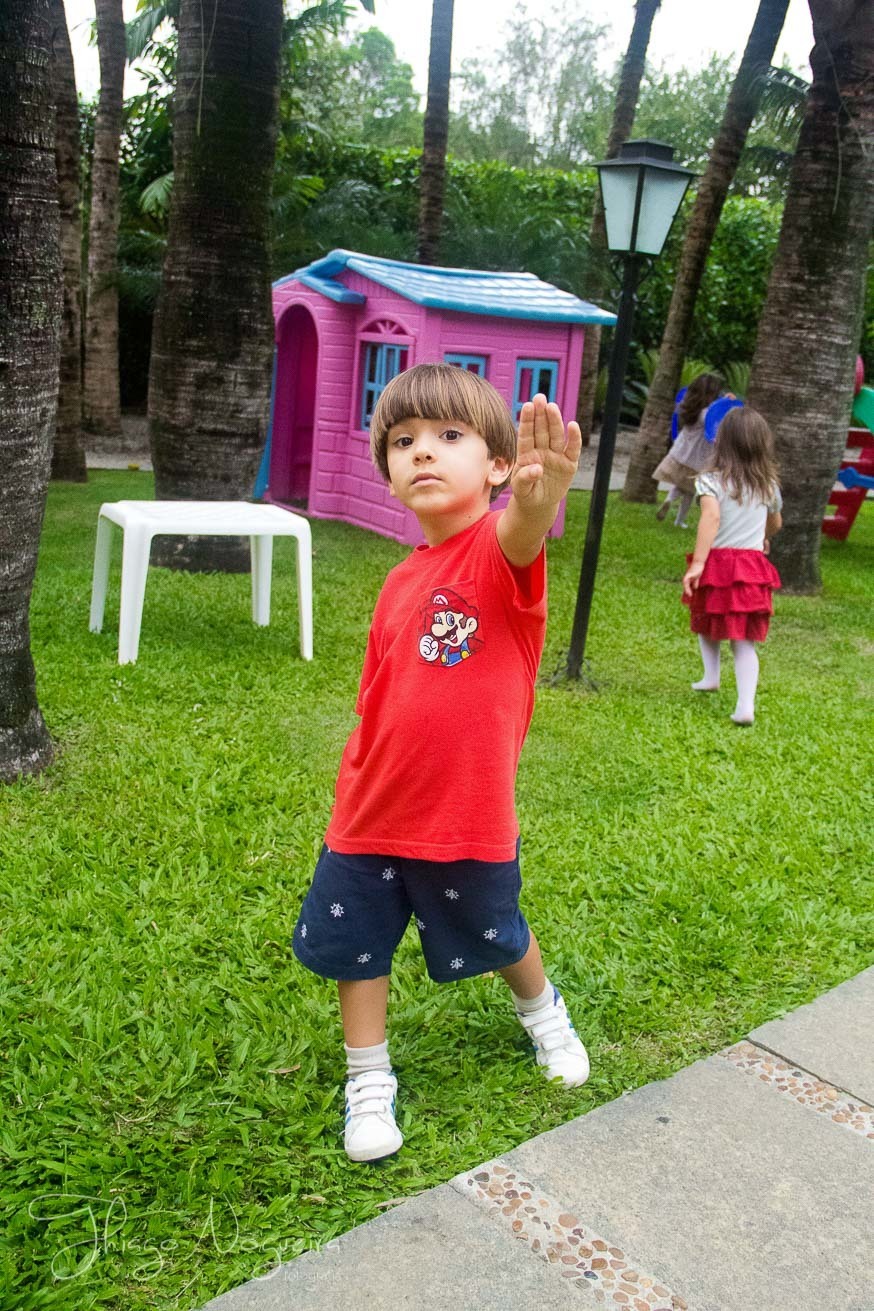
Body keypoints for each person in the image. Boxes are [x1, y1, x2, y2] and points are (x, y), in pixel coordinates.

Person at [292, 363, 590, 1163]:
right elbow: (378, 699)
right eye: (403, 440)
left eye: (449, 437)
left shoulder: (498, 554)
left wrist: (539, 497)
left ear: (496, 464)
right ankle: (369, 1079)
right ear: (387, 466)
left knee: (498, 930)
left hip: (466, 810)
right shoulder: (398, 580)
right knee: (359, 946)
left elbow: (523, 528)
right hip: (371, 808)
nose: (423, 452)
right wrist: (355, 782)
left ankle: (545, 1016)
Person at [682, 406, 782, 725]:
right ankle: (745, 705)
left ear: (721, 442)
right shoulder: (767, 485)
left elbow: (711, 518)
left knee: (705, 618)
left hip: (720, 562)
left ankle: (711, 675)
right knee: (743, 639)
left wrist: (698, 563)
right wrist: (762, 538)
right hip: (751, 566)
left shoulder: (711, 481)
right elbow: (775, 522)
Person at [653, 373, 725, 527]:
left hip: (681, 453)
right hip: (698, 459)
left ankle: (668, 500)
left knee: (680, 484)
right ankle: (679, 520)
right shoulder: (707, 414)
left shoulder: (689, 407)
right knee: (690, 491)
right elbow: (714, 426)